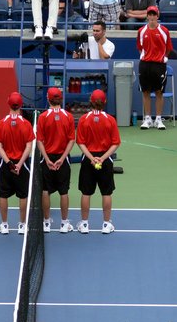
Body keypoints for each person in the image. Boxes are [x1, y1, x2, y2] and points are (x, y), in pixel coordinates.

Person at [75, 89, 120, 235]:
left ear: (91, 102)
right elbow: (115, 143)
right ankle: (106, 225)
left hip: (89, 160)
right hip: (105, 161)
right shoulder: (110, 120)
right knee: (106, 193)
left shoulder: (84, 119)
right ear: (104, 102)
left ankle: (84, 224)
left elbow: (80, 142)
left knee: (86, 193)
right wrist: (103, 158)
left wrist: (91, 158)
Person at [0, 91, 35, 235]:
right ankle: (22, 225)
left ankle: (4, 225)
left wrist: (9, 163)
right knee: (23, 196)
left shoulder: (0, 123)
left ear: (8, 104)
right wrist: (19, 164)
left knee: (3, 195)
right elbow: (29, 147)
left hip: (6, 165)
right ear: (21, 105)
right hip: (21, 165)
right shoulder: (26, 124)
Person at [36, 87, 76, 234]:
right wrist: (62, 158)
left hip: (47, 159)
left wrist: (47, 159)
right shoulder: (68, 116)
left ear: (48, 99)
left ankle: (46, 223)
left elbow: (39, 141)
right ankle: (64, 224)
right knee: (63, 192)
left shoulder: (43, 117)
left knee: (45, 191)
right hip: (63, 159)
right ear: (61, 99)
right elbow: (72, 140)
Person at [137, 6, 173, 130]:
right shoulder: (141, 31)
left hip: (159, 65)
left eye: (154, 15)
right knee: (146, 91)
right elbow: (140, 47)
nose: (152, 17)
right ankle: (147, 119)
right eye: (150, 15)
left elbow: (168, 48)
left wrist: (163, 58)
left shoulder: (164, 31)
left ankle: (158, 119)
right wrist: (147, 56)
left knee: (159, 92)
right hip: (145, 64)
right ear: (147, 16)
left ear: (157, 16)